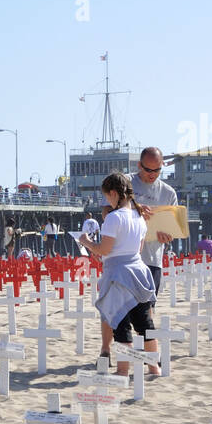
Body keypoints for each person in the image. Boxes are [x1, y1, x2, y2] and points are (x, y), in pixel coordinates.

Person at [78, 172, 159, 376]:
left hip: (118, 275)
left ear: (113, 193)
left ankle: (123, 370)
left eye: (107, 197)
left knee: (120, 323)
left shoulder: (114, 218)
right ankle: (154, 367)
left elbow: (105, 249)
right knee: (144, 324)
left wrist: (86, 242)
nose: (107, 201)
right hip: (139, 271)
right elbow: (137, 249)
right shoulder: (139, 217)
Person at [132, 147, 177, 299]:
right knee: (122, 314)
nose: (152, 174)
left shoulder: (169, 193)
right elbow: (107, 213)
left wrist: (168, 236)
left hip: (152, 260)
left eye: (157, 170)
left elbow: (172, 229)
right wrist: (134, 209)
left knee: (147, 311)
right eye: (148, 170)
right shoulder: (125, 182)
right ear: (139, 165)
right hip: (125, 259)